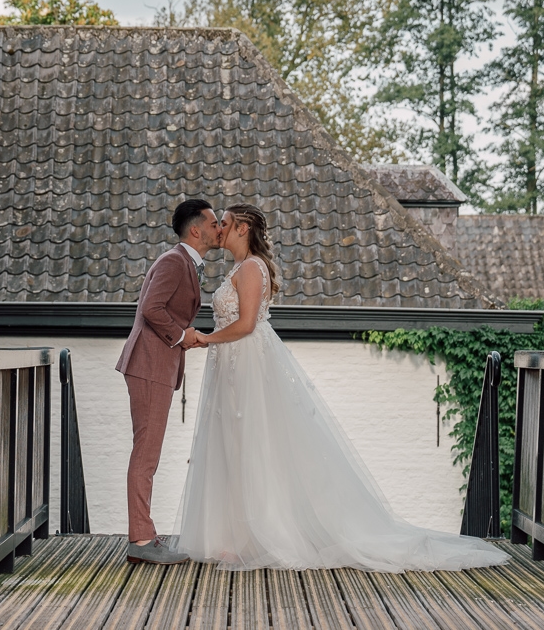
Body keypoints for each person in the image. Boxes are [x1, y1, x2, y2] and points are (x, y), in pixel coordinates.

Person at [171, 203, 509, 572]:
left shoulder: (251, 268)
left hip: (246, 362)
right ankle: (239, 537)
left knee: (252, 446)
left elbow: (248, 324)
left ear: (243, 228)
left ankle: (260, 535)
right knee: (235, 447)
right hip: (232, 366)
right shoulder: (240, 268)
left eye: (224, 223)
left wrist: (205, 338)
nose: (218, 229)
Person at [115, 198, 220, 564]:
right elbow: (151, 309)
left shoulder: (184, 263)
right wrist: (182, 335)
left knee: (148, 454)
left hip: (155, 366)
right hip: (149, 366)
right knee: (146, 455)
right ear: (196, 229)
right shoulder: (175, 261)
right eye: (213, 222)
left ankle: (143, 536)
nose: (218, 227)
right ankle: (141, 542)